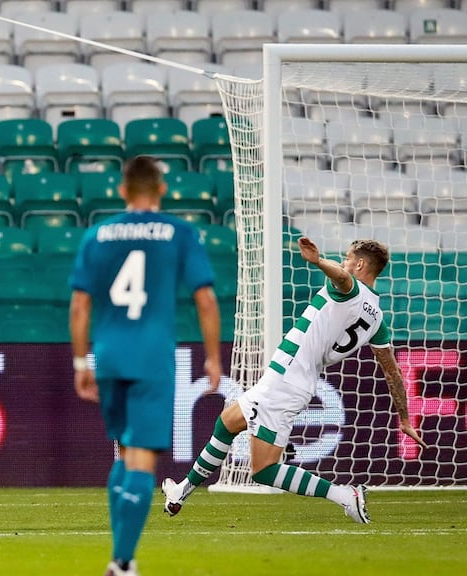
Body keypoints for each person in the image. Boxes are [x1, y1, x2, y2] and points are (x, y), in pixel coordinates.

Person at [162, 237, 429, 524]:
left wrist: (318, 262)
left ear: (360, 264)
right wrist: (404, 419)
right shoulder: (377, 320)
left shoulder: (350, 290)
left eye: (347, 258)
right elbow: (392, 371)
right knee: (227, 422)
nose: (343, 262)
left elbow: (342, 278)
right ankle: (181, 491)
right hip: (291, 377)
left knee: (264, 470)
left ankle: (344, 495)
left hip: (287, 380)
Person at [70, 156, 222, 576]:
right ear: (162, 190)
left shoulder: (98, 235)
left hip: (110, 354)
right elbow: (205, 299)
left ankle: (122, 558)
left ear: (122, 190)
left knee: (122, 451)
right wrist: (212, 357)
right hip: (152, 355)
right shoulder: (179, 233)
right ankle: (122, 561)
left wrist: (81, 361)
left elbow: (80, 305)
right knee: (141, 459)